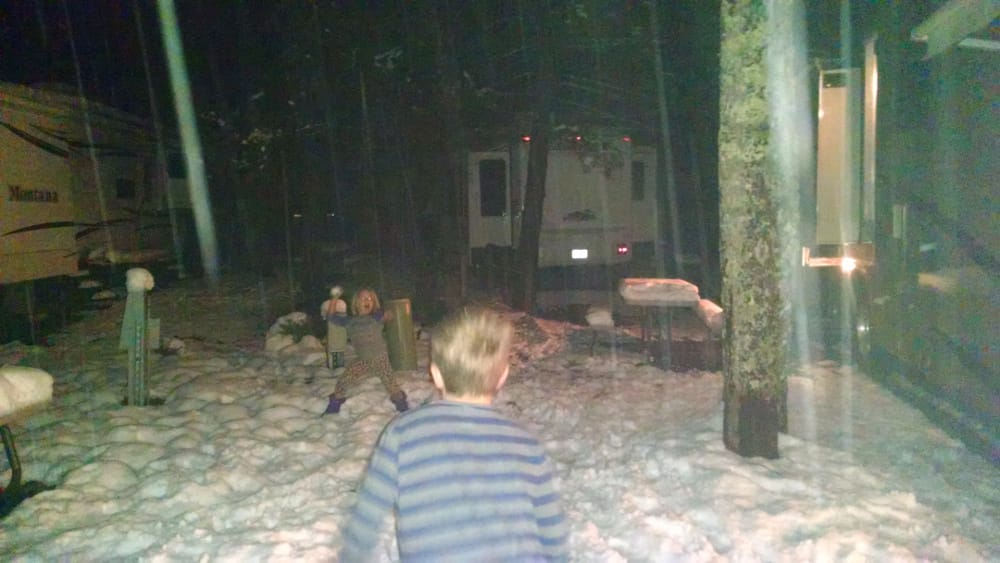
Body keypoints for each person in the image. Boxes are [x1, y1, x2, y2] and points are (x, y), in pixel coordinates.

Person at [338, 307, 569, 561]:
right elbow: (552, 528)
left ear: (435, 373)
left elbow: (366, 517)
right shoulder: (525, 444)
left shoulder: (403, 434)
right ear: (502, 376)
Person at [323, 288, 408, 414]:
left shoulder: (376, 316)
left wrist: (389, 315)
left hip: (380, 359)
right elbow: (331, 317)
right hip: (363, 360)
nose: (367, 301)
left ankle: (403, 408)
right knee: (344, 380)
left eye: (370, 299)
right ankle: (334, 405)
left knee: (391, 385)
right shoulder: (350, 321)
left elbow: (387, 315)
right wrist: (334, 298)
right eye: (363, 298)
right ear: (356, 302)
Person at [320, 286, 348, 370]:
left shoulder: (342, 303)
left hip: (340, 334)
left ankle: (337, 370)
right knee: (334, 353)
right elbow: (325, 317)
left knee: (339, 352)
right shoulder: (326, 304)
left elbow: (343, 316)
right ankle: (334, 371)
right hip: (333, 335)